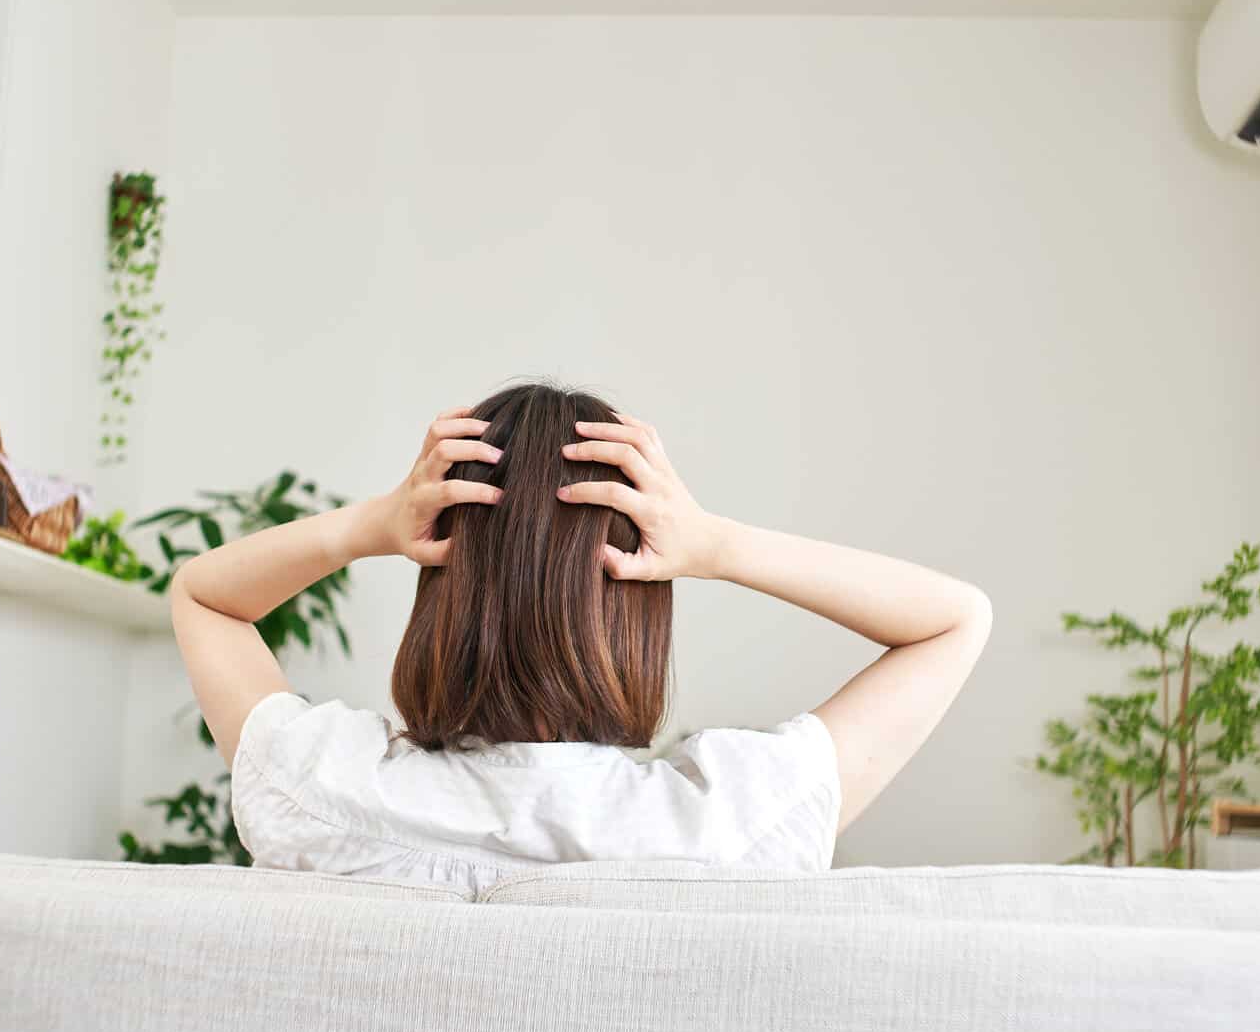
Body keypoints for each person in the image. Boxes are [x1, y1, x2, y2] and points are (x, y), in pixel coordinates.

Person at [171, 382, 991, 894]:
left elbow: (203, 597)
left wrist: (371, 526)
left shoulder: (320, 789)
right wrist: (718, 544)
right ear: (634, 608)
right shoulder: (731, 821)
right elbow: (953, 620)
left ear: (442, 593)